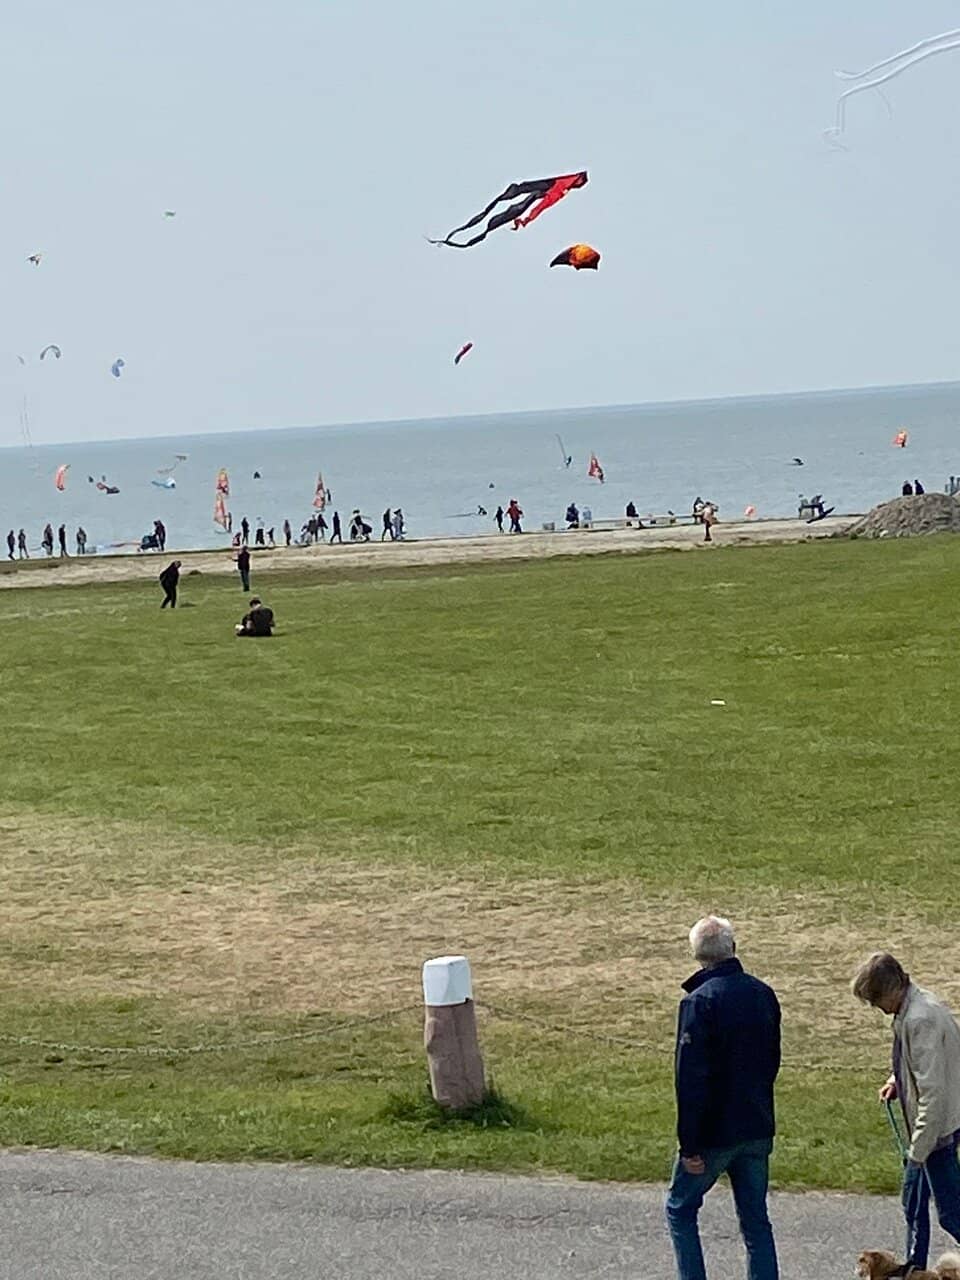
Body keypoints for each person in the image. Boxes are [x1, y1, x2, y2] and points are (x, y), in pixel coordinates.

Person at [665, 915, 781, 1280]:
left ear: (696, 955)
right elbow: (772, 1060)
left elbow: (690, 1080)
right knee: (755, 1221)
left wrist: (690, 1145)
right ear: (733, 947)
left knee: (680, 1208)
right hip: (757, 1123)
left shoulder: (699, 1003)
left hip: (715, 1132)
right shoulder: (763, 993)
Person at [852, 953, 960, 1272]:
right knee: (913, 1204)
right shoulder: (915, 1006)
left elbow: (933, 1093)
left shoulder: (919, 1019)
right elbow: (922, 1066)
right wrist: (896, 1080)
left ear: (891, 989)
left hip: (935, 1131)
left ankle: (915, 1267)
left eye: (875, 1000)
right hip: (934, 1128)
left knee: (950, 1212)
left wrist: (918, 1151)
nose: (876, 1007)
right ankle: (915, 1269)